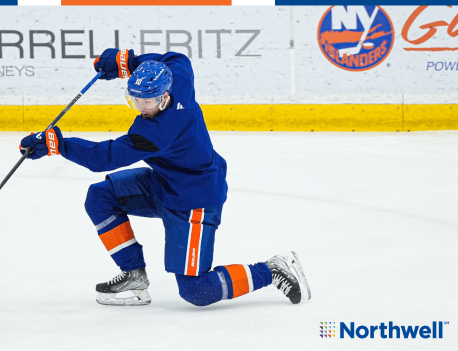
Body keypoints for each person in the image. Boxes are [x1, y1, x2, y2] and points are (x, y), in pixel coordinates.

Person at [19, 49, 311, 306]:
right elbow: (177, 58)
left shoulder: (155, 134)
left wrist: (57, 144)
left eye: (149, 102)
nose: (143, 109)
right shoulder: (178, 79)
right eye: (136, 101)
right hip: (165, 183)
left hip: (195, 199)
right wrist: (129, 62)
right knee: (100, 197)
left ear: (165, 95)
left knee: (197, 290)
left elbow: (103, 158)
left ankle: (271, 270)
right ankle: (133, 274)